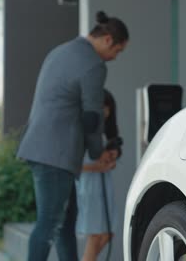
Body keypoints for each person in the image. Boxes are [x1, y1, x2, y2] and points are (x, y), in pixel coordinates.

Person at [16, 11, 129, 261]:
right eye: (118, 51)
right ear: (108, 40)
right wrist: (99, 153)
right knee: (48, 225)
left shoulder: (61, 51)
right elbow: (92, 118)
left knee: (65, 224)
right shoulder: (93, 64)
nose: (115, 58)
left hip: (41, 147)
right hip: (55, 153)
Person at [76, 89, 122, 261]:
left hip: (103, 185)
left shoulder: (103, 133)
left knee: (108, 233)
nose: (106, 112)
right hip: (88, 186)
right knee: (95, 234)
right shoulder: (82, 131)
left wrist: (111, 161)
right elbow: (75, 164)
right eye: (103, 107)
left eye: (108, 108)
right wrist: (97, 167)